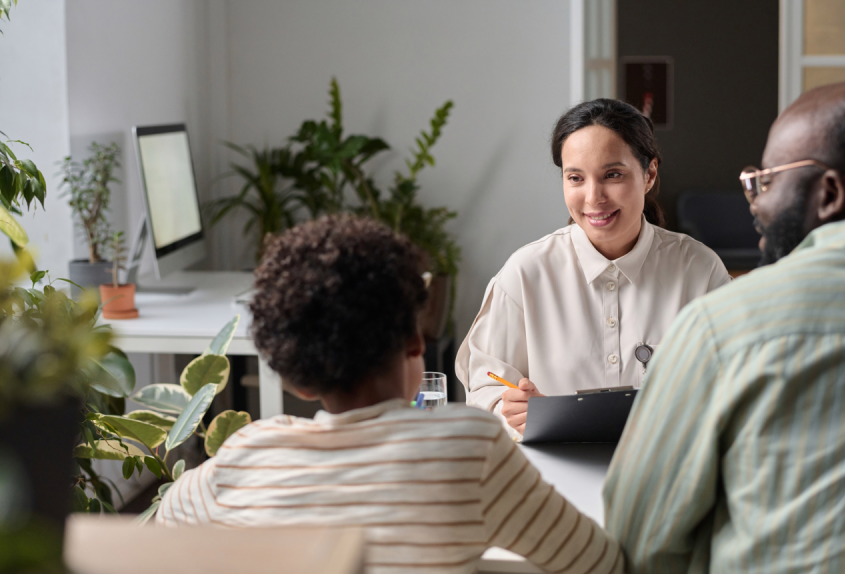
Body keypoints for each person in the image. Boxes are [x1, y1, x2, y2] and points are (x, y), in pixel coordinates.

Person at [157, 215, 624, 574]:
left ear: (295, 379)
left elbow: (165, 525)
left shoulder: (245, 457)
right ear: (415, 344)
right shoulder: (469, 446)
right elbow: (598, 562)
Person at [603, 79, 845, 572]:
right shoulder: (526, 268)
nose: (754, 202)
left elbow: (639, 541)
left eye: (765, 182)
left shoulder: (724, 328)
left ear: (829, 193)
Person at [456, 99, 731, 438]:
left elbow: (733, 385)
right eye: (575, 178)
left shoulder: (699, 271)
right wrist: (507, 407)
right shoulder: (526, 273)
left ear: (649, 175)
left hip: (666, 474)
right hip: (556, 479)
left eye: (612, 175)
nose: (593, 197)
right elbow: (485, 386)